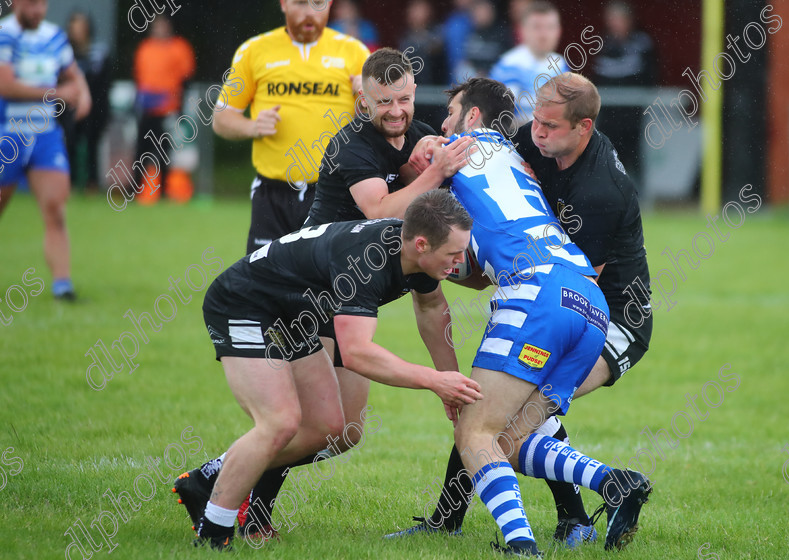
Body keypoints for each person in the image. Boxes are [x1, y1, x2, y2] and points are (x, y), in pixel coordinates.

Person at [175, 48, 475, 540]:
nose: (396, 111)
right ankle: (242, 514)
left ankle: (215, 476)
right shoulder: (351, 145)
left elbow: (430, 301)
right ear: (363, 98)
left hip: (342, 289)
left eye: (403, 99)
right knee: (294, 423)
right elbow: (380, 208)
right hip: (315, 292)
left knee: (343, 431)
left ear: (414, 93)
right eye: (383, 102)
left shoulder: (420, 141)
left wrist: (450, 379)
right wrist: (435, 172)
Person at [390, 73, 653, 550]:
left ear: (470, 117)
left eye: (448, 117)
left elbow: (400, 191)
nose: (539, 131)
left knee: (478, 428)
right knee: (506, 437)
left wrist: (425, 149)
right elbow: (480, 249)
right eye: (538, 120)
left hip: (593, 309)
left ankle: (520, 544)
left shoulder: (464, 148)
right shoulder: (516, 150)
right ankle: (614, 484)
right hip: (586, 301)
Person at [191, 190, 483, 550]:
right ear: (421, 245)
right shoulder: (367, 261)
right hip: (244, 305)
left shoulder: (415, 255)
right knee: (280, 422)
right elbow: (357, 352)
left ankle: (209, 478)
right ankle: (212, 534)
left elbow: (432, 309)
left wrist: (451, 384)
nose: (459, 263)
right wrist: (435, 381)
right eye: (454, 254)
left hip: (296, 314)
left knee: (332, 429)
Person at [212, 0, 369, 255]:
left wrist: (367, 98)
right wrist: (252, 126)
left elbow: (383, 122)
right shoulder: (254, 51)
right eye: (300, 3)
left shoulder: (355, 52)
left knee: (327, 286)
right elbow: (221, 119)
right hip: (272, 196)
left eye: (318, 3)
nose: (309, 12)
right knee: (264, 285)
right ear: (284, 4)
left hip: (334, 193)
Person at [0, 0, 91, 301]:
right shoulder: (5, 34)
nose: (37, 10)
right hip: (8, 133)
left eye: (41, 4)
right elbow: (6, 86)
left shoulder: (54, 36)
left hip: (45, 134)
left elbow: (72, 73)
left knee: (55, 209)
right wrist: (57, 93)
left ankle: (62, 285)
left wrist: (83, 93)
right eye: (30, 4)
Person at [591, 1, 656, 181]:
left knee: (635, 155)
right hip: (608, 114)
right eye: (612, 19)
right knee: (608, 154)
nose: (615, 23)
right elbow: (596, 77)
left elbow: (650, 75)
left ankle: (639, 194)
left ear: (629, 20)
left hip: (634, 114)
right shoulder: (602, 44)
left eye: (619, 19)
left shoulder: (642, 43)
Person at [132, 14, 195, 202]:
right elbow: (139, 77)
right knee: (141, 151)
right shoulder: (145, 47)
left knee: (163, 153)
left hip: (167, 107)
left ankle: (163, 192)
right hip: (147, 107)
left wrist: (179, 106)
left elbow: (186, 78)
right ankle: (137, 191)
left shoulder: (179, 47)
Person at [489, 1, 567, 124]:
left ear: (559, 31)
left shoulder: (561, 65)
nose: (544, 34)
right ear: (522, 30)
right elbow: (500, 116)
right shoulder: (509, 64)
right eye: (537, 27)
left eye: (550, 27)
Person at [64, 11, 110, 193]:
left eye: (81, 25)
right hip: (70, 107)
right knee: (71, 143)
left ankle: (92, 184)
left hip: (95, 109)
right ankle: (71, 183)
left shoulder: (100, 52)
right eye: (74, 25)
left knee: (92, 145)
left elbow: (105, 86)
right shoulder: (65, 53)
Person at [455, 0, 511, 80]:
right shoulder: (470, 33)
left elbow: (506, 60)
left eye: (484, 11)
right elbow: (468, 59)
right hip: (474, 77)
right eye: (477, 12)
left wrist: (487, 71)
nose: (480, 15)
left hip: (495, 77)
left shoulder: (503, 34)